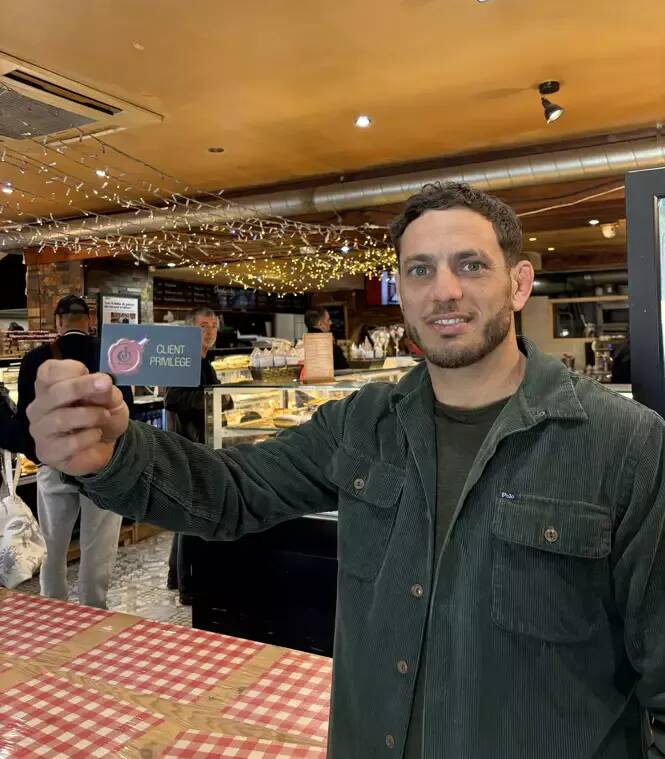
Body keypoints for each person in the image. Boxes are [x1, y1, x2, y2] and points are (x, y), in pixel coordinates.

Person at [26, 183, 665, 759]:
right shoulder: (362, 423)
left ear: (519, 284)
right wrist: (112, 454)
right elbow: (232, 493)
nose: (444, 290)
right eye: (420, 270)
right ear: (402, 292)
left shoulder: (627, 445)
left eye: (471, 265)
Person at [6, 294, 133, 609]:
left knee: (52, 543)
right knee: (98, 547)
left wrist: (38, 456)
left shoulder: (35, 359)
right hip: (103, 465)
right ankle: (93, 608)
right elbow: (127, 411)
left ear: (58, 321)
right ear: (89, 320)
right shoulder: (111, 355)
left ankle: (54, 608)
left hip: (56, 462)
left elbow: (26, 419)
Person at [164, 306, 232, 603]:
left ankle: (175, 576)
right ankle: (188, 586)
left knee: (186, 515)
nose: (210, 331)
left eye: (213, 326)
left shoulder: (205, 362)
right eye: (204, 325)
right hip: (189, 446)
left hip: (199, 443)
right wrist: (217, 397)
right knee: (192, 516)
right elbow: (173, 398)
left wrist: (220, 399)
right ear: (191, 329)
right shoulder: (188, 360)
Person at [304, 306, 349, 370]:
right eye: (328, 320)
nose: (331, 322)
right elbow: (344, 370)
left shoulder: (301, 346)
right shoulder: (330, 347)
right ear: (320, 324)